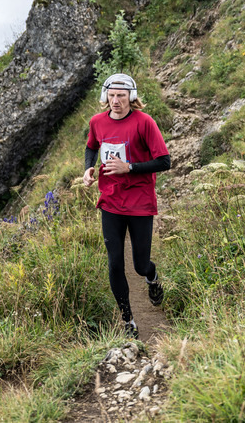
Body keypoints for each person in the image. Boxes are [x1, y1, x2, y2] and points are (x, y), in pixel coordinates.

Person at [84, 73, 170, 337]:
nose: (116, 101)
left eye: (121, 95)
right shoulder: (97, 122)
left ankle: (152, 278)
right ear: (105, 97)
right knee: (114, 264)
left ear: (131, 97)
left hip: (140, 202)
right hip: (110, 201)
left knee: (140, 265)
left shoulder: (144, 123)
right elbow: (91, 146)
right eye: (111, 95)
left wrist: (128, 167)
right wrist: (88, 168)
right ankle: (128, 320)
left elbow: (164, 162)